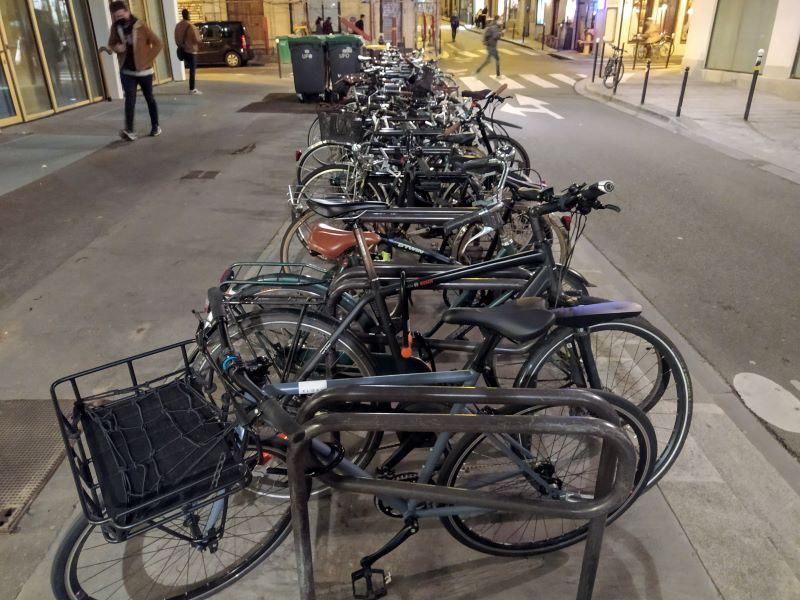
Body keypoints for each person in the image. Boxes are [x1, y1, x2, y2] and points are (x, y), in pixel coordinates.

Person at [108, 0, 162, 141]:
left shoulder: (140, 25)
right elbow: (111, 43)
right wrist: (116, 48)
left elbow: (158, 44)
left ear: (127, 11)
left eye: (121, 15)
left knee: (149, 98)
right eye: (116, 17)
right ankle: (130, 130)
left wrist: (147, 60)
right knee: (129, 100)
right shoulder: (115, 27)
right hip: (126, 71)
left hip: (144, 72)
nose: (119, 18)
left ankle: (156, 126)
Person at [174, 9, 201, 95]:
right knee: (192, 71)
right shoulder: (191, 26)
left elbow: (176, 38)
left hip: (183, 50)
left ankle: (192, 88)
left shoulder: (177, 26)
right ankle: (192, 89)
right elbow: (197, 39)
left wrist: (180, 45)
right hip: (191, 51)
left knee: (189, 69)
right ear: (188, 15)